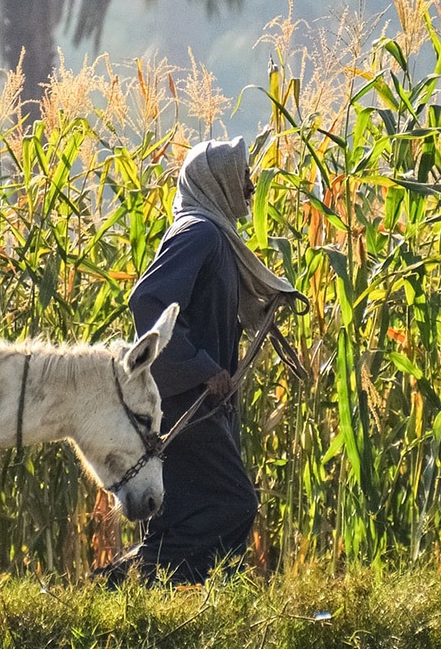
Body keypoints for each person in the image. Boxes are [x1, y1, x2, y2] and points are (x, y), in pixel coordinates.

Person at [109, 135, 300, 584]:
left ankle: (164, 595)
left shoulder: (212, 234)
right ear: (217, 181)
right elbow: (149, 300)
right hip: (185, 399)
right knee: (233, 503)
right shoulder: (201, 233)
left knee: (182, 512)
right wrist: (200, 368)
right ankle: (140, 581)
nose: (251, 186)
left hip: (197, 397)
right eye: (243, 177)